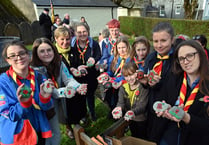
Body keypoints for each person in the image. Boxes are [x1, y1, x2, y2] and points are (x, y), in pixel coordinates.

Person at [31, 38, 88, 142]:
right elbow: (50, 92)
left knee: (61, 119)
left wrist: (78, 86)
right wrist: (66, 91)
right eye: (42, 51)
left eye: (49, 50)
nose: (47, 53)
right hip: (44, 106)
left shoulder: (59, 63)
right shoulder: (34, 71)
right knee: (50, 133)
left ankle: (70, 127)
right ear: (36, 53)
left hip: (60, 99)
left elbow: (68, 78)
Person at [0, 40, 53, 145]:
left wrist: (45, 98)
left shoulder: (39, 76)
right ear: (8, 60)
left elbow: (47, 107)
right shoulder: (2, 82)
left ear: (28, 55)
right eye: (12, 56)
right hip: (18, 135)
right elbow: (9, 114)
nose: (18, 58)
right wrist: (24, 104)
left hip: (38, 128)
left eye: (21, 53)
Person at [156, 40, 209, 145]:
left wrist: (186, 117)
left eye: (190, 55)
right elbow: (163, 97)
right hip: (171, 134)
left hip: (196, 139)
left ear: (200, 55)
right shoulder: (174, 78)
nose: (185, 61)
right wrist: (164, 108)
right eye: (181, 58)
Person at [144, 22, 175, 143]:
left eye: (163, 40)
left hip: (170, 109)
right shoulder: (151, 57)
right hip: (152, 105)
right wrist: (145, 82)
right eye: (155, 41)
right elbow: (147, 80)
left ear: (172, 40)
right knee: (152, 136)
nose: (159, 45)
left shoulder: (178, 59)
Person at [70, 22, 101, 121]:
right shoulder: (72, 44)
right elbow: (70, 60)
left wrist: (94, 60)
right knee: (80, 96)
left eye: (84, 31)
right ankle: (83, 115)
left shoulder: (94, 43)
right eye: (79, 32)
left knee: (90, 95)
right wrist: (77, 67)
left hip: (91, 74)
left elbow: (98, 55)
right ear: (75, 33)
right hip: (78, 75)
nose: (82, 34)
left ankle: (92, 113)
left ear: (88, 32)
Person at [112, 61, 149, 139]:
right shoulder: (123, 87)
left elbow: (142, 106)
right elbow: (121, 103)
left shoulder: (143, 87)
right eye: (126, 76)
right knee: (134, 135)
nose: (129, 78)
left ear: (136, 73)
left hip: (141, 119)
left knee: (142, 137)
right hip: (130, 118)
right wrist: (118, 108)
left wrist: (133, 112)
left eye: (131, 75)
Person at [101, 36, 131, 119]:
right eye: (119, 48)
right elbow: (110, 71)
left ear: (127, 47)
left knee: (119, 100)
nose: (121, 50)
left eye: (123, 47)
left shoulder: (130, 59)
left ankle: (120, 115)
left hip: (123, 83)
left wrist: (114, 80)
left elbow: (126, 76)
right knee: (109, 96)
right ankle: (112, 109)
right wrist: (106, 75)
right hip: (113, 81)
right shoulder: (114, 57)